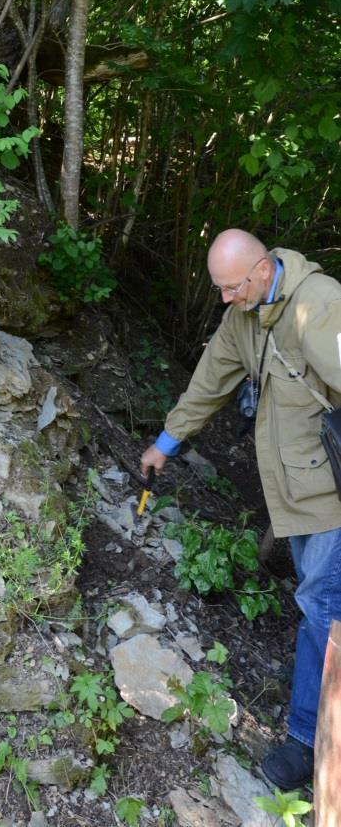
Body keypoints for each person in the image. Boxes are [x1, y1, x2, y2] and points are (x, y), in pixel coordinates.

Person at [140, 229, 341, 790]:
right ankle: (315, 689)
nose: (225, 298)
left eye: (231, 288)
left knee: (324, 612)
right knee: (320, 607)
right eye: (220, 290)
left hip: (332, 496)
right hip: (295, 494)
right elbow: (209, 381)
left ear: (259, 270)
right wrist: (165, 443)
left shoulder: (320, 305)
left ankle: (306, 741)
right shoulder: (245, 316)